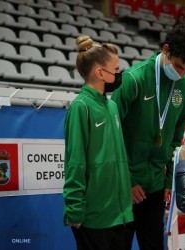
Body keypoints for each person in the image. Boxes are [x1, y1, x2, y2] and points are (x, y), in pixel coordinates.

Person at [111, 24, 185, 250]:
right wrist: (127, 181)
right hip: (125, 186)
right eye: (178, 66)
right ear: (166, 50)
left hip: (155, 187)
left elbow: (176, 139)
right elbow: (111, 134)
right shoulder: (133, 80)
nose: (181, 74)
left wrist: (169, 182)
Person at [63, 36, 133, 250]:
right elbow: (75, 162)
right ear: (100, 73)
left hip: (122, 217)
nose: (119, 74)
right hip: (95, 218)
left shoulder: (111, 106)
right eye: (116, 69)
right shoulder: (80, 107)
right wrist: (74, 208)